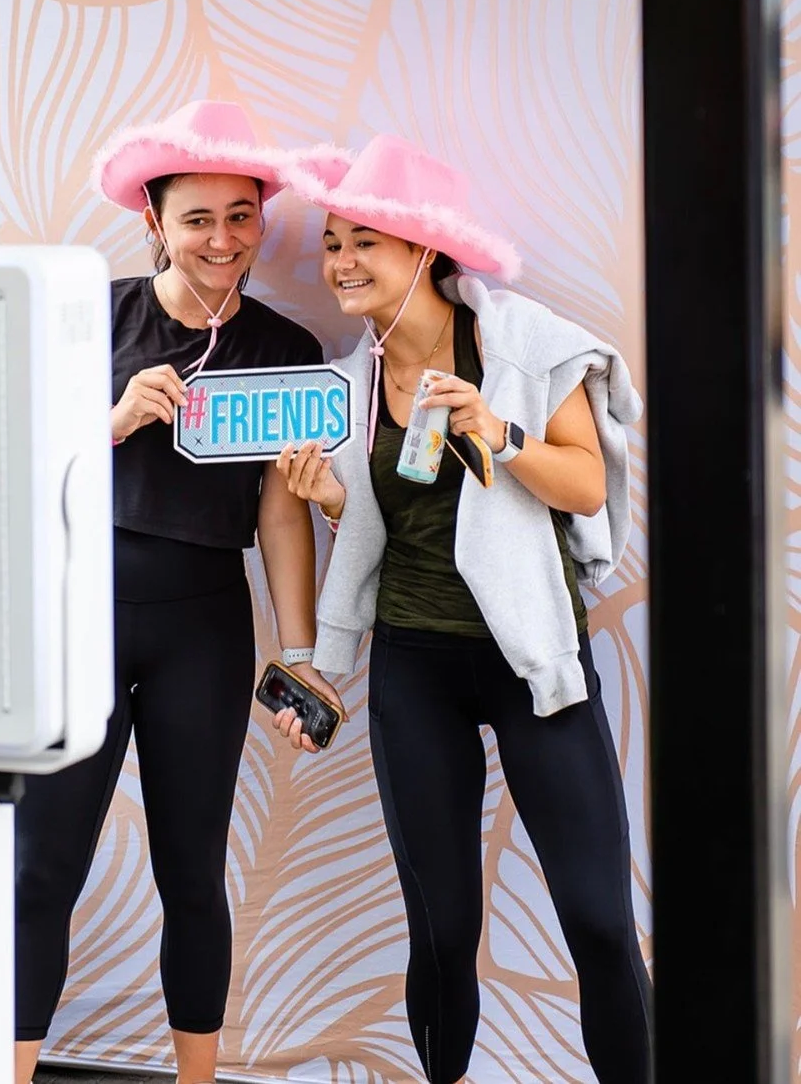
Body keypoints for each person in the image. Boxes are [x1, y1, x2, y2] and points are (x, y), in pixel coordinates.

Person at [275, 133, 652, 1084]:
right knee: (442, 930)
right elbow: (376, 530)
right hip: (416, 666)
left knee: (602, 923)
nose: (341, 262)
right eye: (331, 242)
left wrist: (502, 431)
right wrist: (328, 501)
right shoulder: (351, 384)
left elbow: (585, 489)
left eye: (366, 240)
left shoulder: (518, 343)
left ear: (425, 252)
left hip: (531, 659)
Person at [12, 100, 344, 1084]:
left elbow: (283, 514)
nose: (224, 239)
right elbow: (9, 475)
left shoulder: (284, 348)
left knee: (193, 878)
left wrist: (300, 648)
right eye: (199, 217)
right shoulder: (90, 317)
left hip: (204, 626)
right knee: (40, 873)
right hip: (85, 617)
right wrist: (111, 421)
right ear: (154, 218)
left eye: (241, 216)